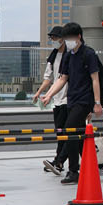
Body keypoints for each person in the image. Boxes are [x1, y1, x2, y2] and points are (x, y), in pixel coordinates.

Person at [38, 22, 102, 184]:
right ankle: (91, 164)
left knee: (69, 130)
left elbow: (95, 79)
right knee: (78, 136)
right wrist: (49, 95)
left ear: (79, 37)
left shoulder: (89, 54)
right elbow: (62, 79)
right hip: (71, 99)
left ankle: (73, 170)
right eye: (65, 39)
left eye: (70, 38)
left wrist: (97, 102)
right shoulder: (68, 55)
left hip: (85, 100)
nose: (67, 41)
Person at [34, 26, 69, 176]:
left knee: (68, 132)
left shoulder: (70, 55)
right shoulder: (53, 56)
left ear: (63, 39)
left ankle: (59, 161)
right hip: (57, 99)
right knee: (61, 132)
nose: (53, 40)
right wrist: (39, 92)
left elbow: (63, 79)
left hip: (70, 99)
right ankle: (96, 160)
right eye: (52, 38)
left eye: (55, 38)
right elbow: (48, 78)